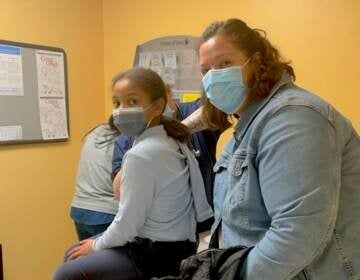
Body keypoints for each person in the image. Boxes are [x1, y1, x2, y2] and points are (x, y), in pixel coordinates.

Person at [197, 18, 360, 280]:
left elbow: (296, 234)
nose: (213, 78)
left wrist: (232, 275)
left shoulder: (293, 118)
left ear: (257, 62)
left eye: (225, 63)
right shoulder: (251, 123)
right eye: (206, 70)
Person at [54, 67, 213, 280]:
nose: (121, 110)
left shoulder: (142, 154)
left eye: (132, 101)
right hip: (178, 245)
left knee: (67, 271)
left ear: (157, 106)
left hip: (155, 254)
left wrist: (96, 244)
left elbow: (127, 224)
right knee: (75, 253)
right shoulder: (170, 139)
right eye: (117, 103)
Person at [112, 85, 221, 211]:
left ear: (169, 94)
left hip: (203, 218)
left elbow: (217, 111)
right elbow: (121, 190)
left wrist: (179, 130)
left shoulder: (192, 110)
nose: (157, 109)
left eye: (159, 102)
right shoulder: (126, 139)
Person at [70, 115, 120, 240]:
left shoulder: (95, 133)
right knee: (113, 259)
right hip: (105, 213)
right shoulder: (124, 140)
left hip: (80, 209)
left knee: (91, 258)